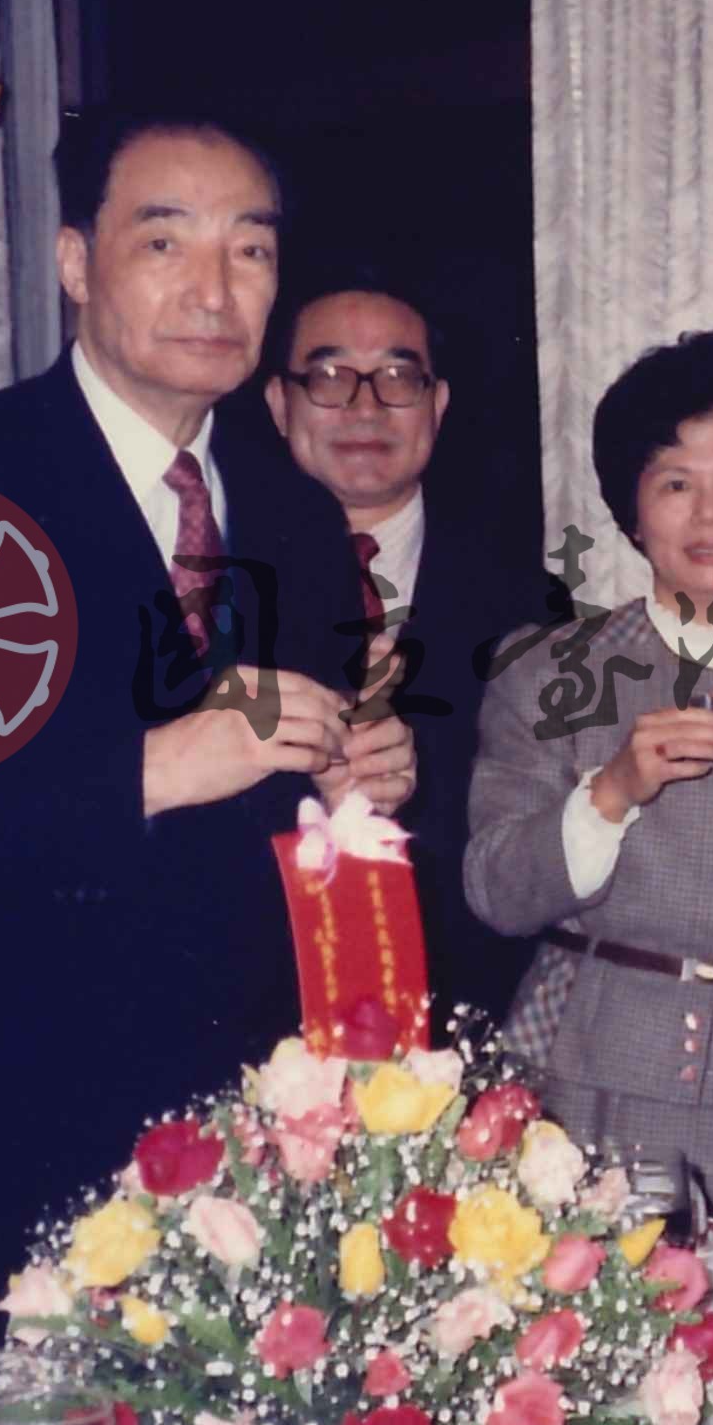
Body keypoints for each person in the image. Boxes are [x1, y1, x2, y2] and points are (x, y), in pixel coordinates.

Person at [0, 108, 413, 1310]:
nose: (214, 289)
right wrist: (148, 769)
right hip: (13, 1133)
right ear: (75, 263)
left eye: (249, 249)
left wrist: (354, 777)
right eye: (164, 242)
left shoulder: (295, 514)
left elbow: (284, 787)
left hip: (247, 1144)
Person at [463, 332, 713, 1240]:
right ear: (633, 512)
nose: (709, 514)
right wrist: (613, 790)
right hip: (583, 1067)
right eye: (674, 483)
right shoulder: (549, 671)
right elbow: (495, 891)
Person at [266, 276, 533, 1031]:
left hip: (461, 1019)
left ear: (437, 405)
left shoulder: (528, 603)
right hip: (255, 1012)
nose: (365, 407)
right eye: (328, 376)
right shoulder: (211, 587)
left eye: (397, 376)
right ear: (280, 404)